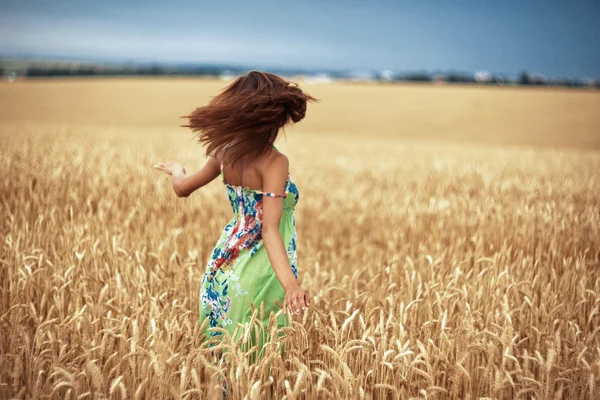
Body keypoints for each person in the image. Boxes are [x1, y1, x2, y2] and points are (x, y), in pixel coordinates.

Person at [154, 71, 316, 353]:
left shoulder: (223, 152)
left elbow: (181, 189)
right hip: (260, 267)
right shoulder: (274, 161)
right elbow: (269, 229)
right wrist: (290, 285)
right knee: (256, 355)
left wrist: (176, 170)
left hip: (223, 264)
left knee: (222, 355)